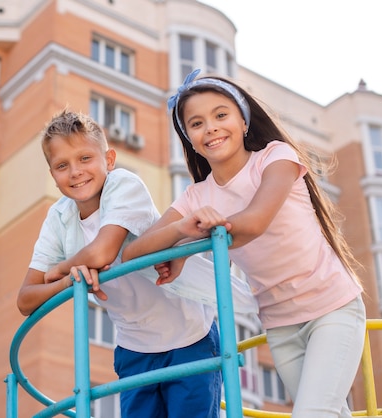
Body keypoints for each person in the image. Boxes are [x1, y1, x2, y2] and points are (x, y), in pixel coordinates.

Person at [122, 69, 366, 418]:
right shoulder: (197, 196)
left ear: (244, 120)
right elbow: (134, 251)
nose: (211, 128)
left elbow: (254, 222)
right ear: (188, 138)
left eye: (221, 115)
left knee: (314, 413)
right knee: (330, 412)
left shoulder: (275, 158)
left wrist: (196, 236)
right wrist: (181, 232)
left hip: (332, 306)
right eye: (196, 123)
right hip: (280, 322)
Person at [16, 109, 221, 418]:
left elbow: (102, 253)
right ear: (53, 176)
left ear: (108, 160)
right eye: (62, 165)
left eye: (85, 158)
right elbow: (25, 299)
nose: (75, 172)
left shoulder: (124, 184)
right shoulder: (58, 217)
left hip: (189, 334)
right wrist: (70, 280)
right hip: (135, 346)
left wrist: (60, 268)